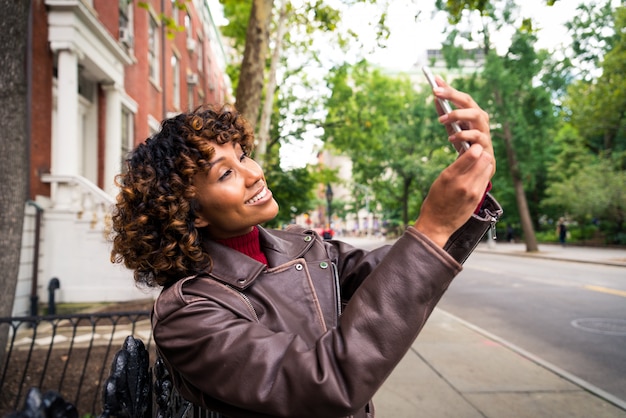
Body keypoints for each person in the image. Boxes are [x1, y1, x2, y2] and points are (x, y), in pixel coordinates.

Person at [110, 78, 502, 417]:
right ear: (192, 212)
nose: (253, 173)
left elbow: (397, 275)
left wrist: (474, 181)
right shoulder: (188, 314)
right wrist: (431, 225)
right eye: (226, 172)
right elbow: (328, 384)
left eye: (243, 155)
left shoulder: (305, 248)